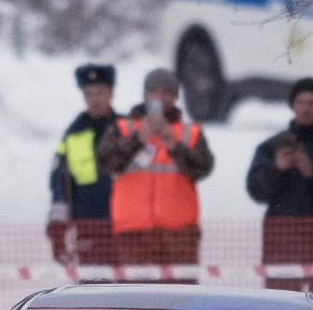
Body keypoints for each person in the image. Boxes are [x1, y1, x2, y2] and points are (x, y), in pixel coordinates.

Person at [98, 68, 213, 268]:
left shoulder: (190, 132)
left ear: (175, 97)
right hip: (132, 233)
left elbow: (203, 167)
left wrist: (174, 146)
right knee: (135, 297)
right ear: (144, 94)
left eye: (166, 92)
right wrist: (137, 139)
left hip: (180, 235)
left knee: (180, 296)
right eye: (153, 91)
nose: (159, 97)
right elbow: (106, 162)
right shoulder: (122, 128)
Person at [47, 64, 119, 267]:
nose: (94, 99)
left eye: (100, 92)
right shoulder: (72, 134)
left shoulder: (126, 128)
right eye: (88, 93)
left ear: (111, 93)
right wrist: (57, 231)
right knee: (91, 293)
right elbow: (59, 184)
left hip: (126, 230)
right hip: (89, 230)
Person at [246, 77, 313, 218]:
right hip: (282, 232)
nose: (306, 109)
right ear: (292, 105)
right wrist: (275, 169)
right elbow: (255, 190)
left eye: (312, 103)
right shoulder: (271, 146)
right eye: (300, 102)